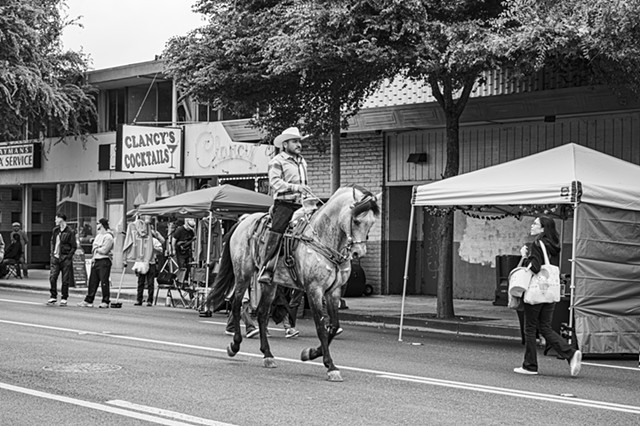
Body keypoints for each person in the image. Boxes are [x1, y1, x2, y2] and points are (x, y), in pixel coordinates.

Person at [258, 127, 313, 338]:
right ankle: (268, 265)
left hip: (303, 206)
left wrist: (305, 194)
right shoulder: (278, 161)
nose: (299, 145)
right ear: (285, 144)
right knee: (278, 229)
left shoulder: (302, 162)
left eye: (300, 141)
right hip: (285, 204)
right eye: (295, 142)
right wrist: (296, 188)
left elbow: (305, 185)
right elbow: (275, 184)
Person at [514, 215, 582, 376]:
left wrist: (525, 257)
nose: (532, 226)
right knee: (544, 327)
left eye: (535, 224)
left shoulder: (537, 244)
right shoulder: (554, 246)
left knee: (530, 328)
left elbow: (535, 267)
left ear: (543, 229)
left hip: (537, 291)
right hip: (550, 290)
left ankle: (530, 365)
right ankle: (570, 353)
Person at [77, 218, 114, 308]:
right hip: (96, 260)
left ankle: (105, 300)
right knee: (92, 281)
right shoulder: (98, 236)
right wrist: (96, 252)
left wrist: (97, 248)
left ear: (101, 224)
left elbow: (104, 250)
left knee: (104, 281)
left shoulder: (108, 237)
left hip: (104, 260)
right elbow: (93, 248)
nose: (96, 225)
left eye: (98, 223)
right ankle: (89, 300)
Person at [47, 212, 77, 306]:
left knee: (65, 279)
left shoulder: (70, 231)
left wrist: (68, 256)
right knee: (52, 277)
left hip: (65, 258)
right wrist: (52, 253)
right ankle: (53, 296)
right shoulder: (55, 230)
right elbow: (52, 242)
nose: (55, 220)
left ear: (61, 219)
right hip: (55, 257)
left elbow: (73, 246)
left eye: (56, 219)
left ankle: (64, 297)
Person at [134, 217, 165, 306]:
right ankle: (139, 299)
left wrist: (153, 248)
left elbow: (160, 249)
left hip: (151, 262)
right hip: (142, 262)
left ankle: (149, 300)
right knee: (140, 282)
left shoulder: (154, 240)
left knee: (150, 282)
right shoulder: (140, 240)